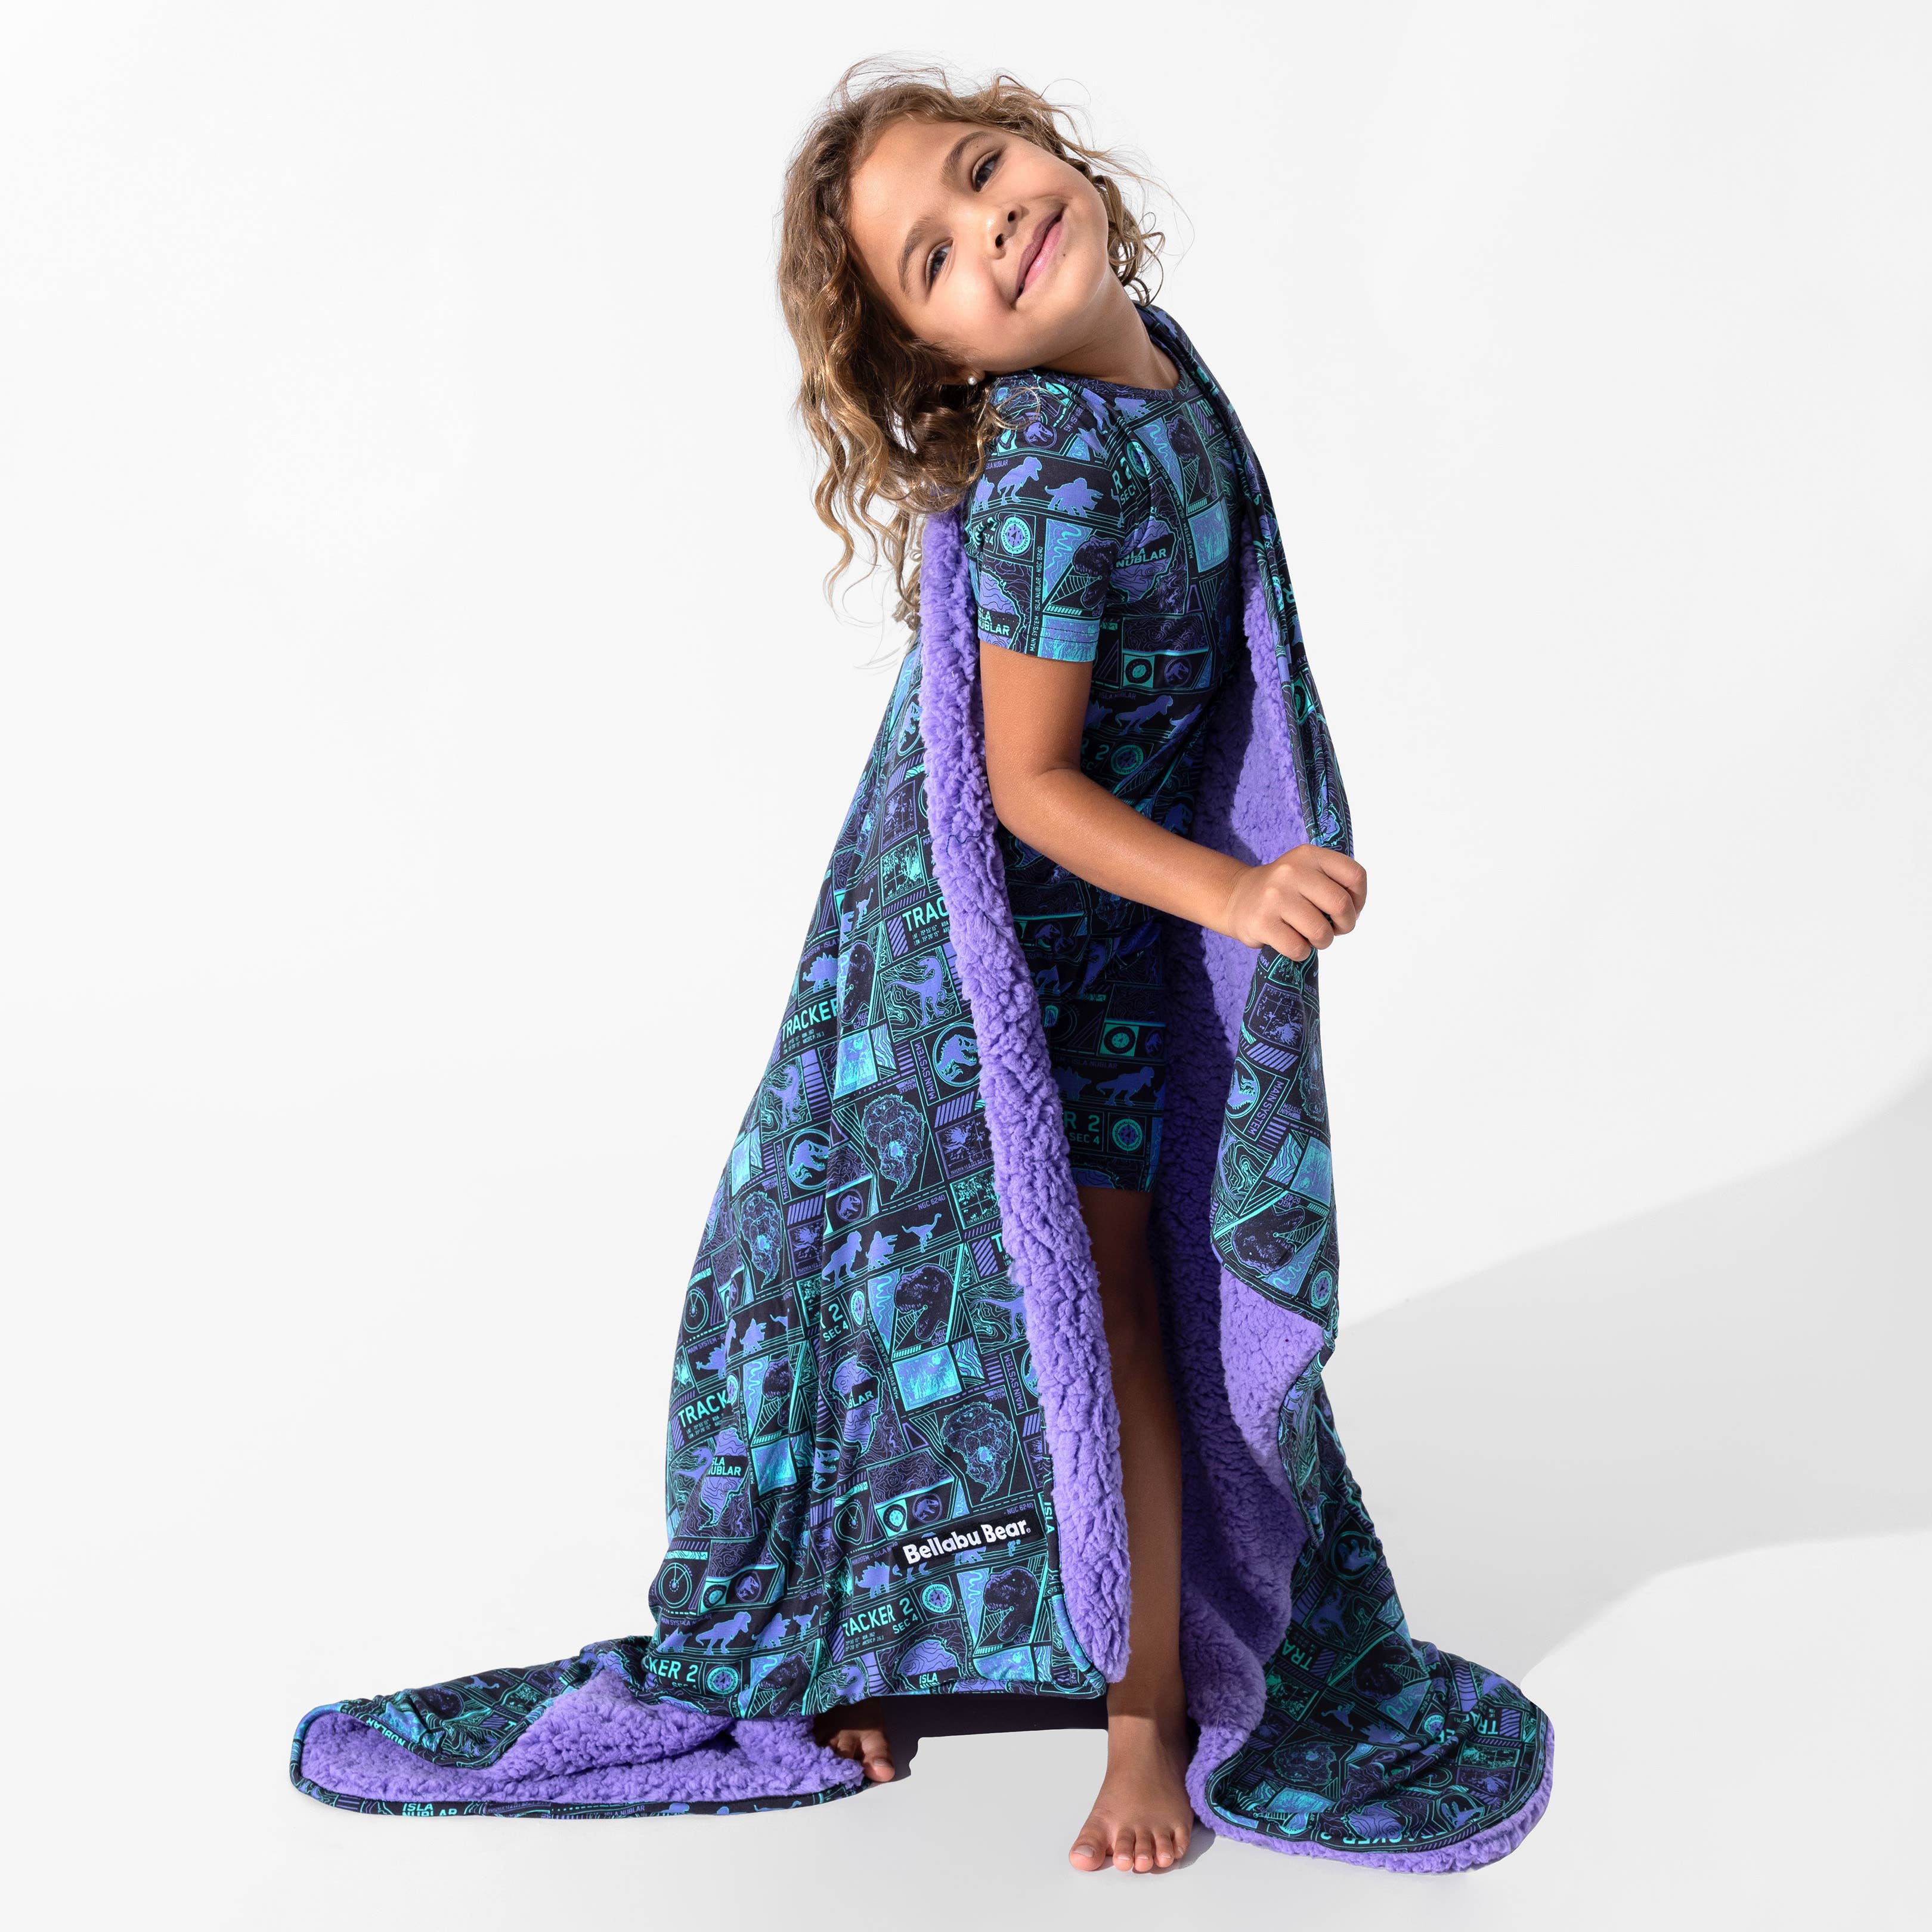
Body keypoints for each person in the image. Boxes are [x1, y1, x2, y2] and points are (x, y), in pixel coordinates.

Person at [780, 60, 1368, 1874]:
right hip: (990, 989)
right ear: (936, 360)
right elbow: (1023, 788)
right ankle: (1131, 1715)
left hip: (1111, 939)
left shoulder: (1162, 371)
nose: (992, 227)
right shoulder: (1046, 463)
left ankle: (953, 1651)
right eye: (932, 258)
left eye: (983, 170)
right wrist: (1235, 893)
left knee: (1050, 1324)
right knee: (1013, 1321)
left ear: (1052, 146)